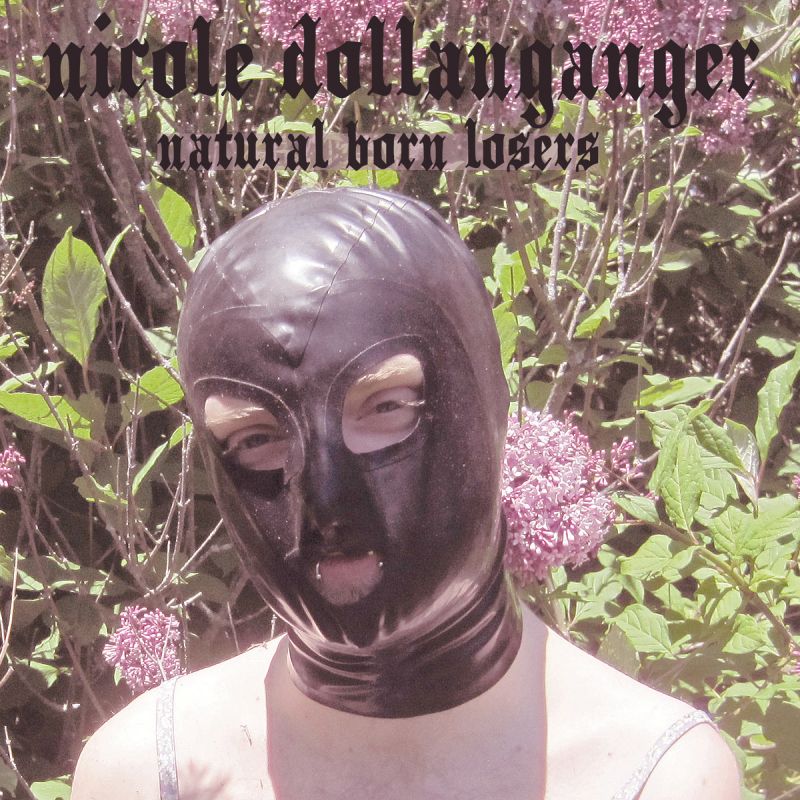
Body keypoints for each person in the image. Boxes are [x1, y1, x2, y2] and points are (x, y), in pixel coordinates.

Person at [72, 188, 741, 800]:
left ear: (487, 402)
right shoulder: (147, 774)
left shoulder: (656, 777)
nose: (325, 502)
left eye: (386, 407)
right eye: (256, 438)